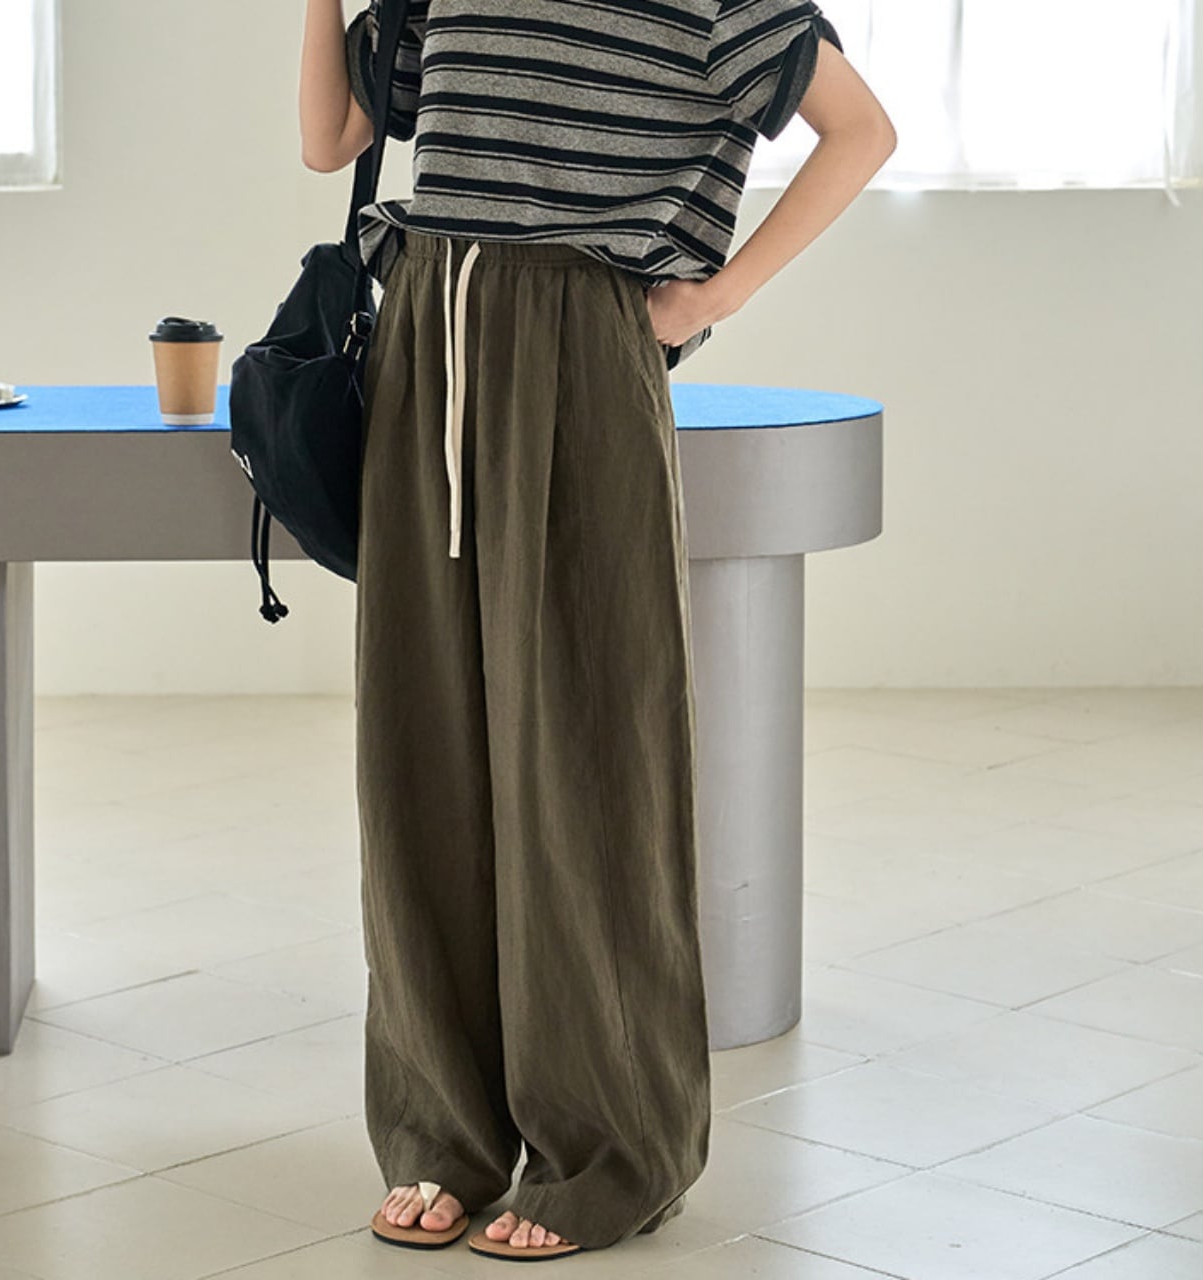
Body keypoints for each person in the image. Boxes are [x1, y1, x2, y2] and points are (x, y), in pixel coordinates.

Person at [299, 0, 895, 1261]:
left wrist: (715, 294)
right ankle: (440, 1131)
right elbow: (330, 137)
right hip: (424, 338)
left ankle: (610, 1146)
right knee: (420, 743)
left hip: (580, 344)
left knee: (583, 744)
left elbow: (860, 130)